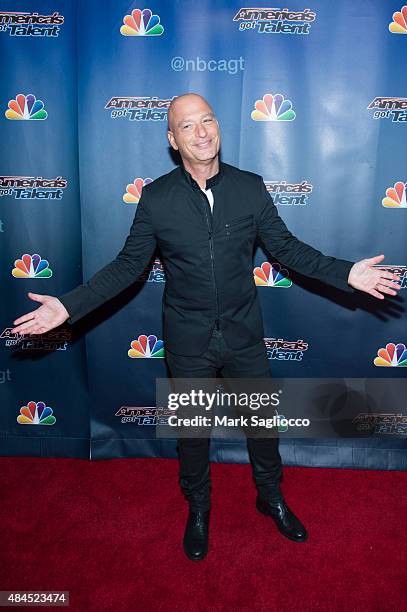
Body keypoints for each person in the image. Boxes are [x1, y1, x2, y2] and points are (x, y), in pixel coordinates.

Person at [12, 93, 401, 561]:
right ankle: (198, 508)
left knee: (262, 426)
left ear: (218, 127)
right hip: (189, 340)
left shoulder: (250, 187)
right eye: (188, 126)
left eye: (208, 121)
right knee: (193, 433)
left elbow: (289, 250)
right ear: (172, 140)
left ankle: (270, 496)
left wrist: (346, 273)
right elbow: (127, 266)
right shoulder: (156, 198)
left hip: (243, 334)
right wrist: (68, 308)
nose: (202, 132)